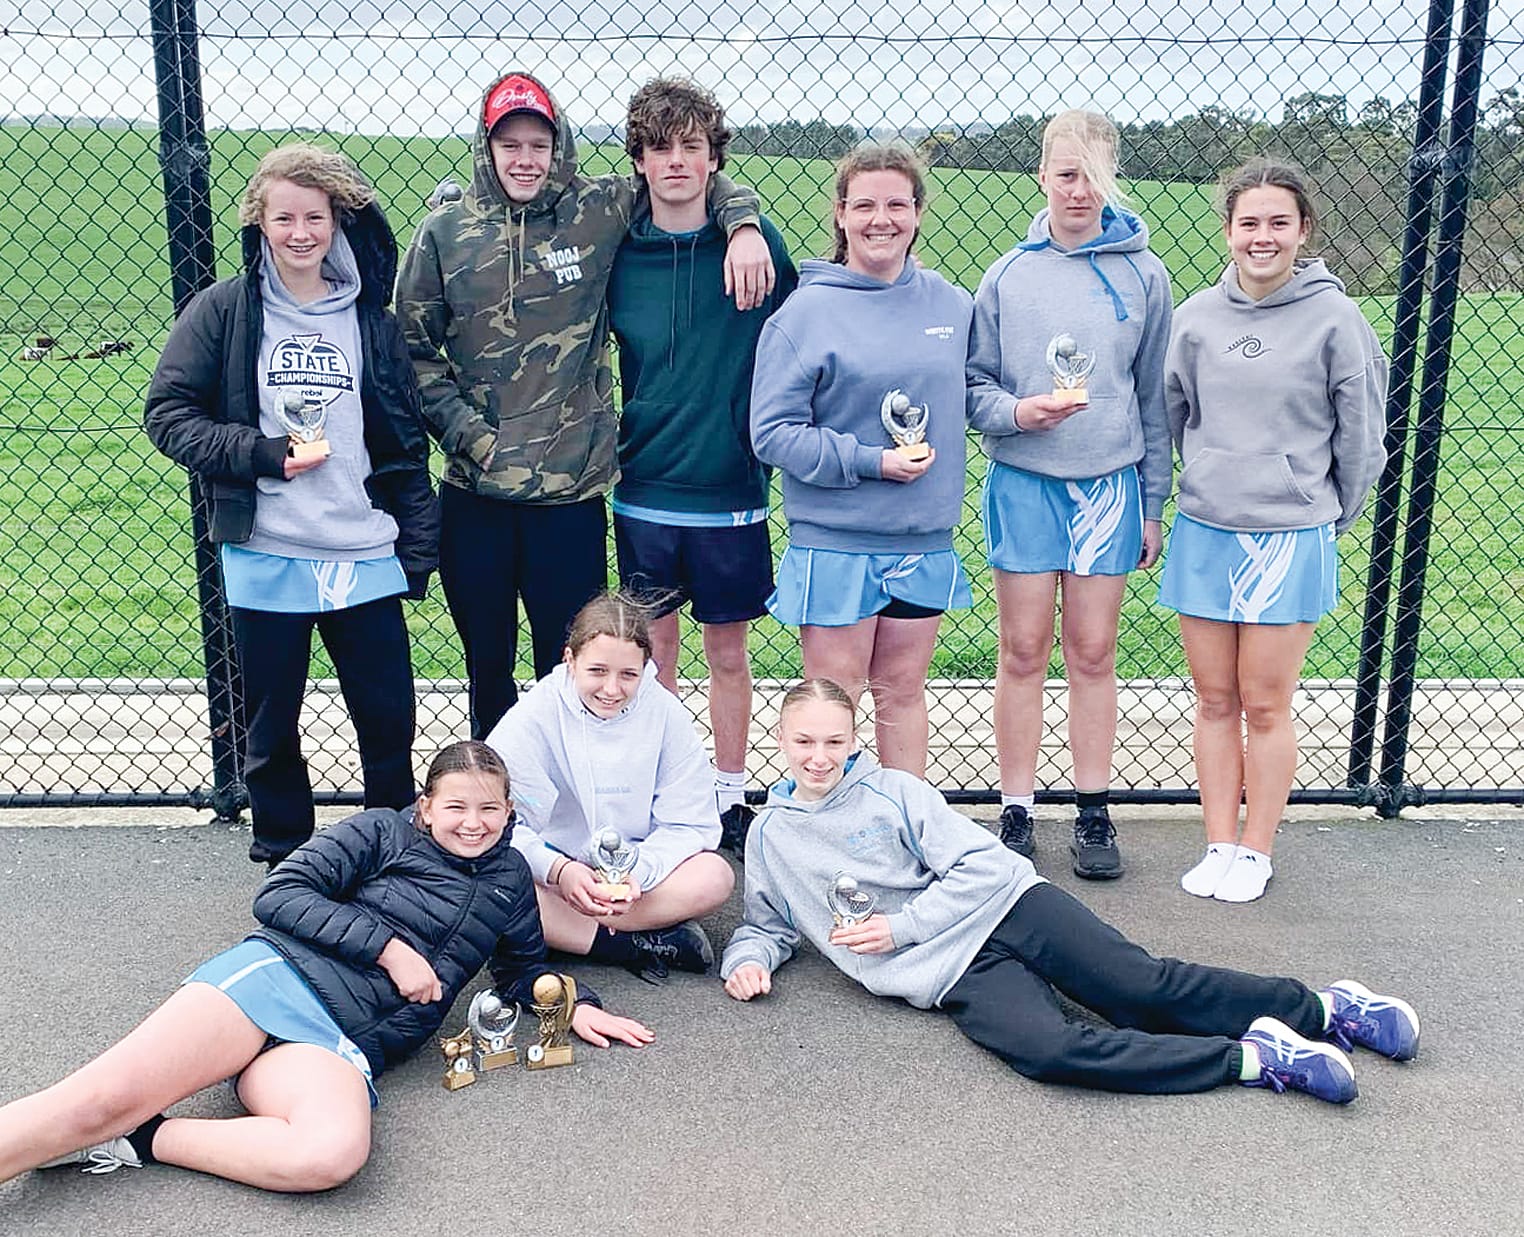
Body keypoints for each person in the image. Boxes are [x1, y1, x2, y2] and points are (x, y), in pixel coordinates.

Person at [721, 679, 1419, 1101]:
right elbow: (769, 922)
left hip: (1008, 909)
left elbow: (988, 867)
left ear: (852, 740)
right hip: (950, 970)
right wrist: (746, 959)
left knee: (1141, 991)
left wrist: (901, 927)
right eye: (805, 742)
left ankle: (1328, 1008)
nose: (820, 757)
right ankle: (1261, 1057)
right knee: (1050, 1051)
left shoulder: (894, 791)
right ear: (779, 738)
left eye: (835, 742)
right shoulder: (771, 835)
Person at [0, 741, 652, 1191]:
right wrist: (390, 950)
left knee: (328, 1155)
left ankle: (143, 1139)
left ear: (510, 811)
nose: (474, 822)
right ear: (426, 806)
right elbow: (280, 895)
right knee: (93, 1101)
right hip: (275, 981)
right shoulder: (380, 831)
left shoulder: (511, 879)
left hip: (344, 1044)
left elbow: (518, 970)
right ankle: (106, 1123)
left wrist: (574, 1006)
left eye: (490, 808)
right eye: (456, 806)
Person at [396, 69, 777, 740]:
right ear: (486, 149)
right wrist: (470, 437)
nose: (524, 159)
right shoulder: (445, 233)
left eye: (537, 144)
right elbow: (411, 349)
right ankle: (493, 807)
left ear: (558, 146)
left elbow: (684, 173)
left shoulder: (594, 211)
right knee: (487, 664)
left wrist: (743, 222)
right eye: (508, 144)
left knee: (564, 667)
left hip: (568, 496)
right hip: (474, 489)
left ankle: (565, 807)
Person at [144, 143, 439, 868]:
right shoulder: (226, 310)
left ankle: (391, 848)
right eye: (284, 218)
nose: (301, 232)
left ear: (337, 221)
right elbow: (167, 413)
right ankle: (285, 855)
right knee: (271, 721)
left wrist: (417, 538)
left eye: (315, 216)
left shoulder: (370, 317)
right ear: (260, 224)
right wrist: (262, 452)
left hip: (360, 550)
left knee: (385, 715)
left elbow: (402, 440)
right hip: (268, 549)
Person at [1161, 158, 1388, 904]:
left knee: (1265, 700)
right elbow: (1172, 417)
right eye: (1249, 223)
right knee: (1214, 698)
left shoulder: (1336, 319)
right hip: (1206, 530)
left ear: (1303, 231)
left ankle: (1257, 849)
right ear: (1228, 231)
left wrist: (1323, 514)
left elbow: (1362, 441)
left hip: (1288, 536)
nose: (1263, 237)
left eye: (1278, 223)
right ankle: (1219, 840)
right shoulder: (1194, 317)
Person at [965, 109, 1174, 882]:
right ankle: (1015, 807)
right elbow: (972, 385)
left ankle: (1092, 807)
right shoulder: (1008, 275)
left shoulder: (1143, 274)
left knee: (1091, 651)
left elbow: (1154, 399)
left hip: (1108, 489)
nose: (1078, 189)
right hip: (1023, 483)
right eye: (1065, 172)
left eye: (1092, 173)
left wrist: (1153, 503)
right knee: (1022, 650)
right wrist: (1018, 413)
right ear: (1042, 177)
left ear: (1111, 177)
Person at [609, 77, 799, 858]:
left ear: (714, 157)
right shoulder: (618, 248)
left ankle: (727, 792)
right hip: (644, 486)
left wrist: (746, 223)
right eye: (661, 148)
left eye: (692, 145)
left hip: (730, 489)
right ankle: (661, 791)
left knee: (727, 652)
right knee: (653, 657)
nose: (677, 161)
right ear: (642, 161)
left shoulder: (756, 246)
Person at [749, 142, 973, 777]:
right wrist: (871, 462)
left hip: (920, 537)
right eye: (866, 205)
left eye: (897, 205)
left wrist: (1027, 411)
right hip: (837, 543)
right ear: (842, 215)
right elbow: (772, 432)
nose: (883, 219)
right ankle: (827, 834)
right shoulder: (806, 312)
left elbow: (978, 393)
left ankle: (905, 826)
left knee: (902, 693)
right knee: (833, 703)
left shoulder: (952, 308)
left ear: (918, 213)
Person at [485, 592, 734, 981]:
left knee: (715, 877)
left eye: (628, 675)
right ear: (570, 659)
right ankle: (632, 942)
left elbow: (689, 823)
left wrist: (640, 872)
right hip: (557, 874)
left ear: (646, 667)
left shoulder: (666, 713)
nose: (612, 689)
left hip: (636, 875)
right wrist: (559, 871)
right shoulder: (535, 714)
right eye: (597, 671)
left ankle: (568, 932)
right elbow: (500, 822)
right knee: (489, 886)